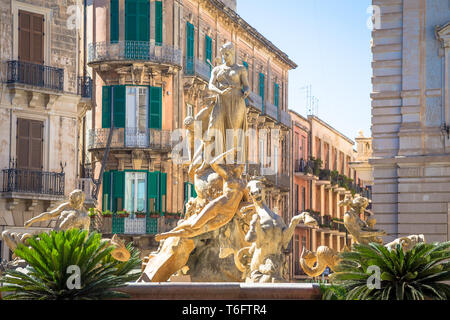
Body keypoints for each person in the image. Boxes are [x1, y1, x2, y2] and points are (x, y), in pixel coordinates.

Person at [155, 149, 248, 241]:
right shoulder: (228, 177)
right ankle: (168, 233)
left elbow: (246, 202)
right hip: (217, 204)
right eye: (238, 165)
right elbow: (214, 163)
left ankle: (168, 234)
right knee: (194, 225)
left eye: (242, 166)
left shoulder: (244, 184)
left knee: (197, 230)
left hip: (228, 213)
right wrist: (228, 152)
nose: (240, 167)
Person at [198, 42, 250, 171]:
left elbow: (246, 85)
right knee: (213, 125)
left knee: (233, 130)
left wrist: (247, 91)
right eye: (223, 55)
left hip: (237, 101)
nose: (224, 57)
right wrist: (220, 91)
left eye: (226, 54)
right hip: (221, 100)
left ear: (232, 53)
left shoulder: (240, 69)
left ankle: (231, 161)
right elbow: (210, 85)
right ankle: (208, 159)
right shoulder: (217, 69)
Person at [24, 189, 90, 231]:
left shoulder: (85, 216)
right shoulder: (66, 206)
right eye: (70, 199)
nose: (71, 202)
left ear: (80, 201)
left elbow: (84, 236)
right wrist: (32, 221)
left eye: (73, 200)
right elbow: (49, 215)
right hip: (56, 237)